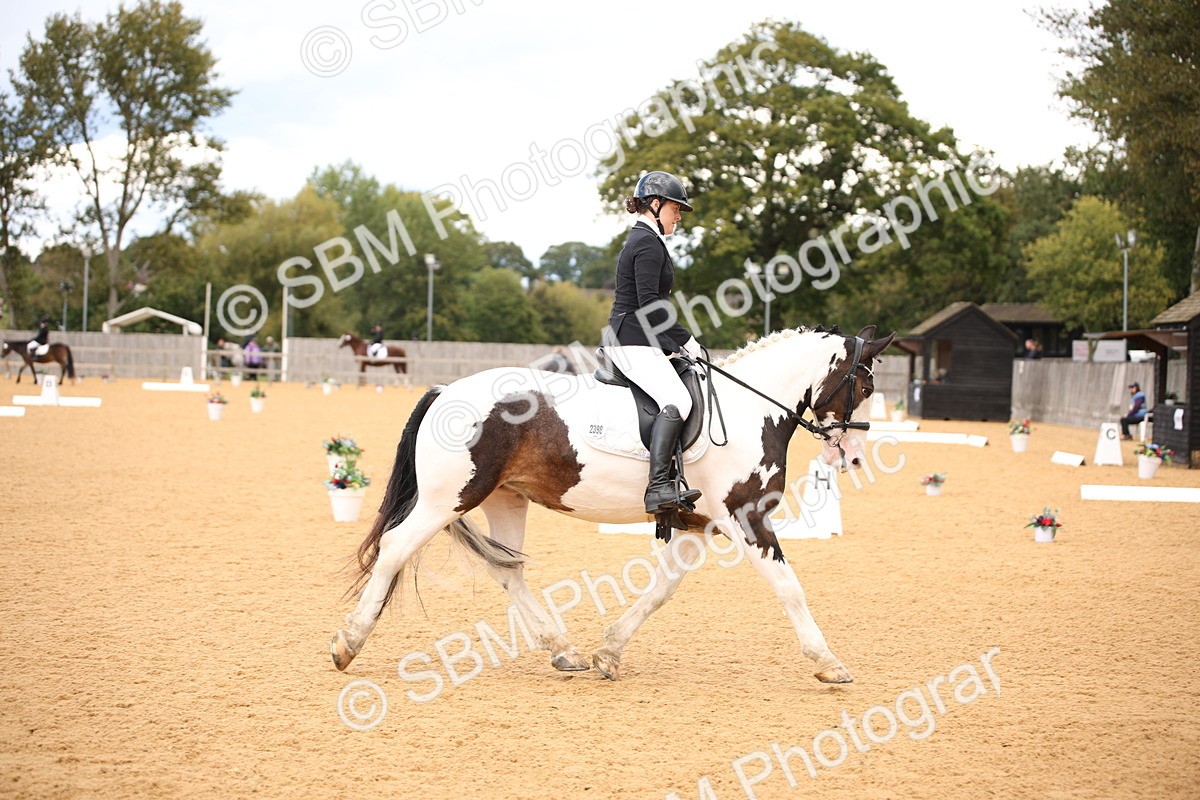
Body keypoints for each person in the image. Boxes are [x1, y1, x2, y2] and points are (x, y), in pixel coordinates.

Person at [604, 170, 703, 516]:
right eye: (676, 209)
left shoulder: (647, 239)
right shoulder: (646, 242)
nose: (679, 216)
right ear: (656, 204)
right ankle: (659, 486)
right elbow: (649, 304)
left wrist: (671, 343)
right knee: (678, 400)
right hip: (631, 339)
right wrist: (685, 339)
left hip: (639, 337)